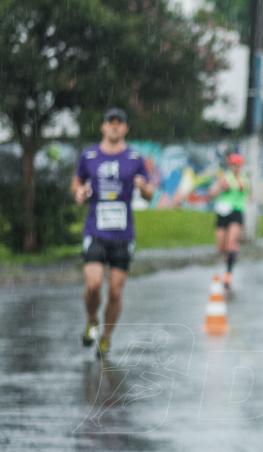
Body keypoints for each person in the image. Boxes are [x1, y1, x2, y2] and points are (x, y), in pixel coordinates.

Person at [71, 108, 154, 359]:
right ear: (103, 127)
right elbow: (77, 182)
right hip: (95, 230)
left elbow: (150, 193)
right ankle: (91, 319)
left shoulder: (135, 157)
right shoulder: (90, 155)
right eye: (111, 123)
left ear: (126, 128)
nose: (115, 127)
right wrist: (79, 192)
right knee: (94, 285)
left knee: (116, 291)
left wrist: (143, 187)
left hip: (123, 233)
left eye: (120, 123)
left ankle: (106, 338)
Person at [209, 152, 250, 288]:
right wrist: (221, 188)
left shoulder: (244, 179)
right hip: (223, 212)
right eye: (232, 164)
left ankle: (228, 273)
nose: (234, 167)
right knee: (221, 247)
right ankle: (229, 259)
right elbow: (212, 193)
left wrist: (242, 191)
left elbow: (250, 195)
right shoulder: (224, 177)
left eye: (236, 165)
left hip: (237, 212)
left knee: (230, 244)